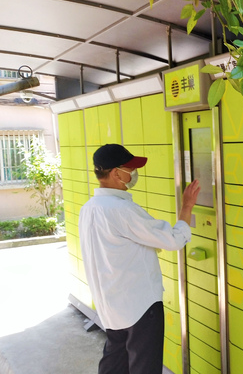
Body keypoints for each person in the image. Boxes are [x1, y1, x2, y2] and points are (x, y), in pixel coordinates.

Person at [79, 143, 200, 374]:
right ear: (115, 173)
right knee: (144, 367)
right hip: (139, 307)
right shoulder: (122, 210)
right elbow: (173, 240)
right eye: (130, 169)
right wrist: (187, 206)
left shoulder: (89, 208)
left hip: (109, 305)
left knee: (114, 364)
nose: (134, 174)